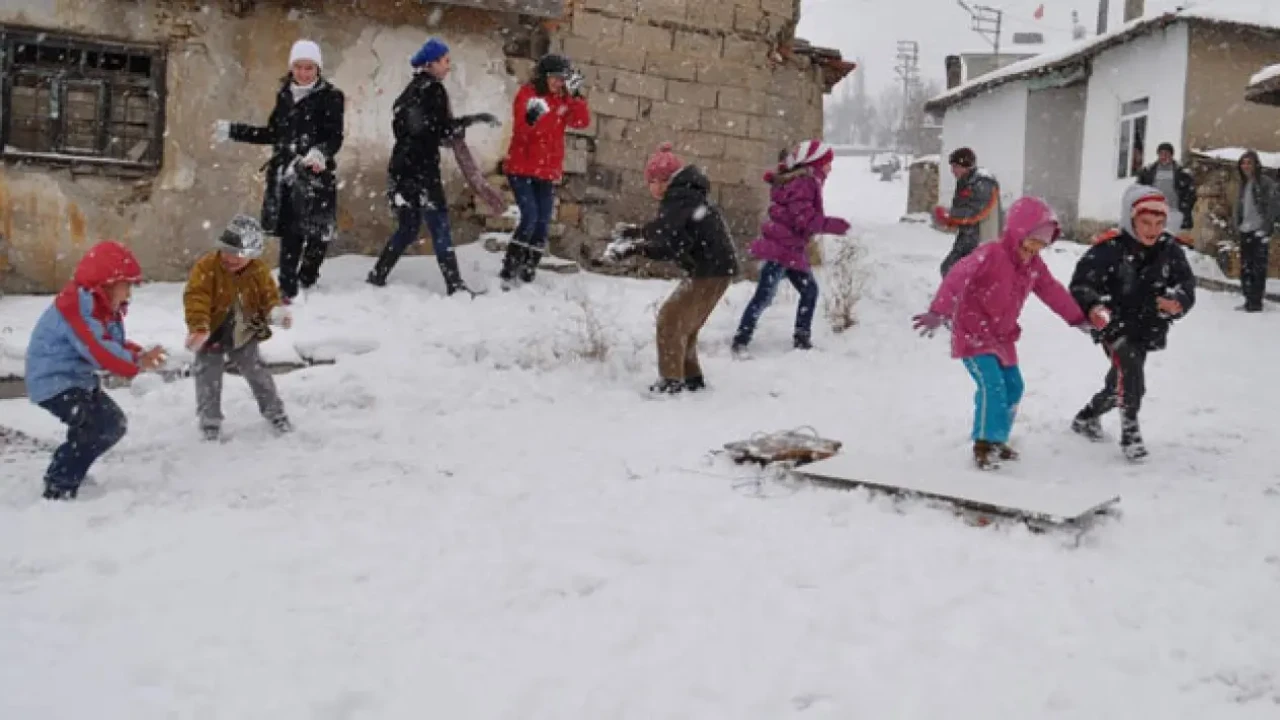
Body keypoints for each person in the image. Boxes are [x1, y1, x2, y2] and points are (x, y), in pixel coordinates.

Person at [912, 196, 1088, 470]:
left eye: (1043, 243)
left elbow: (1052, 291)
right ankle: (984, 443)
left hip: (1002, 336)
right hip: (972, 333)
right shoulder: (992, 254)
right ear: (1018, 231)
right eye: (1033, 240)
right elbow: (958, 275)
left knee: (1014, 387)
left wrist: (1077, 318)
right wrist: (939, 311)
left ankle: (998, 439)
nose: (1036, 248)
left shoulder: (1033, 266)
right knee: (992, 385)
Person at [24, 241, 167, 500]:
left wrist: (139, 355)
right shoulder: (77, 305)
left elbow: (111, 344)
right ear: (109, 282)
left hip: (76, 380)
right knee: (100, 426)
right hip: (53, 382)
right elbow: (98, 349)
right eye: (127, 286)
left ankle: (67, 471)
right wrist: (136, 364)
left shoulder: (100, 306)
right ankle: (60, 485)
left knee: (111, 424)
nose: (129, 295)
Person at [1068, 185, 1197, 461]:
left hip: (1148, 325)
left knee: (1121, 381)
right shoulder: (1109, 249)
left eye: (1159, 223)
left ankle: (1088, 416)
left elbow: (1186, 283)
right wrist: (1096, 308)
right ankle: (1130, 432)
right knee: (1130, 366)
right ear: (1130, 219)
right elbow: (1082, 284)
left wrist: (1178, 300)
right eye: (1145, 223)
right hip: (1114, 324)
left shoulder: (1169, 250)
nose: (1153, 230)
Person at [214, 39, 345, 304]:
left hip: (317, 175)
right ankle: (287, 289)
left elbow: (335, 137)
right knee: (291, 233)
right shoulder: (285, 96)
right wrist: (234, 131)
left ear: (317, 69)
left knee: (319, 235)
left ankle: (307, 278)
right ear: (292, 68)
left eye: (309, 67)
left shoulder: (331, 97)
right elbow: (273, 133)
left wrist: (320, 152)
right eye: (299, 67)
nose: (304, 73)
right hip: (287, 175)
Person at [366, 37, 500, 295]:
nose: (448, 66)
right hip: (422, 169)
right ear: (432, 63)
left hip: (400, 168)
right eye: (445, 61)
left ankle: (378, 274)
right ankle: (454, 284)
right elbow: (440, 130)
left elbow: (407, 127)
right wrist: (473, 119)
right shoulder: (433, 89)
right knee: (439, 224)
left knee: (408, 227)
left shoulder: (409, 91)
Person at [604, 142, 738, 394]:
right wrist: (636, 233)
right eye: (650, 181)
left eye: (656, 180)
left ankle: (670, 381)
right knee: (685, 324)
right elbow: (666, 228)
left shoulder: (679, 199)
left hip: (708, 270)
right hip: (714, 268)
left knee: (670, 319)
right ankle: (691, 378)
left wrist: (634, 249)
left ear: (667, 179)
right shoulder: (685, 196)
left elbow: (670, 246)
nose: (653, 186)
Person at [183, 214, 294, 442]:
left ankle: (275, 412)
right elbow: (196, 296)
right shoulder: (207, 267)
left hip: (243, 330)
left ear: (252, 256)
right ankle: (210, 422)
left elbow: (268, 297)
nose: (231, 258)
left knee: (256, 372)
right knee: (208, 376)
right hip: (211, 330)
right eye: (227, 250)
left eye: (238, 254)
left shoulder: (259, 271)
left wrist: (275, 312)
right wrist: (199, 326)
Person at [731, 140, 850, 355]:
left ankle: (802, 338)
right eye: (827, 163)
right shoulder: (804, 183)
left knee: (809, 291)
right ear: (815, 163)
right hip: (780, 249)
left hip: (791, 249)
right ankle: (741, 340)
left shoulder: (804, 181)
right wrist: (836, 226)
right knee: (764, 296)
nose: (830, 168)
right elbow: (805, 219)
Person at [498, 53, 591, 288]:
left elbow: (581, 122)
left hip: (546, 170)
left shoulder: (563, 99)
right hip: (522, 167)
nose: (560, 83)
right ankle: (510, 266)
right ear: (544, 77)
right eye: (556, 78)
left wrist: (576, 97)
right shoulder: (528, 95)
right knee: (529, 217)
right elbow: (523, 131)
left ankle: (530, 267)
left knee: (542, 222)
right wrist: (537, 115)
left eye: (563, 79)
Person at [933, 147, 1001, 277]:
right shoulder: (965, 181)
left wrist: (949, 215)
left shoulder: (983, 182)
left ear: (966, 165)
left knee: (959, 273)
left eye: (955, 166)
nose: (952, 170)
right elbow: (963, 209)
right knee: (950, 270)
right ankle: (959, 297)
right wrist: (950, 221)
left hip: (982, 239)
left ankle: (962, 297)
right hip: (967, 237)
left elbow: (976, 212)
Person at [1232, 150, 1278, 312]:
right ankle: (1248, 298)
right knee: (1245, 267)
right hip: (1245, 229)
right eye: (1243, 163)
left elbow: (1272, 207)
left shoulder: (1265, 183)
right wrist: (1236, 224)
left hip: (1258, 231)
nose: (1246, 166)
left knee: (1258, 267)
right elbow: (1239, 207)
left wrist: (1265, 229)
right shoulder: (1243, 183)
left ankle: (1255, 301)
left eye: (1249, 163)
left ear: (1256, 165)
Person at [1136, 142, 1196, 234]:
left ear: (1171, 155)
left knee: (1173, 238)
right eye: (1161, 154)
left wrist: (1185, 207)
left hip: (1175, 213)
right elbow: (1139, 190)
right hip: (1154, 212)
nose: (1164, 157)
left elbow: (1190, 193)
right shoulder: (1148, 172)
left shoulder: (1182, 173)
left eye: (1166, 154)